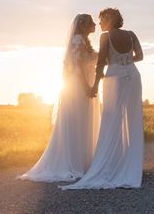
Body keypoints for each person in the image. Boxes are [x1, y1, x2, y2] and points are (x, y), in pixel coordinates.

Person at [61, 7, 144, 189]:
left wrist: (95, 85)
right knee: (133, 119)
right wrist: (125, 61)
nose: (99, 23)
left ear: (110, 19)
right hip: (133, 75)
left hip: (114, 78)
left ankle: (111, 164)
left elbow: (100, 64)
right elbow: (140, 56)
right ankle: (132, 165)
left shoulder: (105, 37)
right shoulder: (131, 34)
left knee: (111, 118)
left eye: (102, 19)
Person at [18, 14, 101, 182]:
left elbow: (88, 59)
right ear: (84, 25)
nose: (95, 24)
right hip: (78, 86)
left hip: (84, 83)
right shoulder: (78, 39)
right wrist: (86, 86)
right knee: (77, 121)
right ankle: (73, 163)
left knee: (82, 121)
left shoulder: (82, 40)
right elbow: (76, 65)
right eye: (91, 22)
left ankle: (82, 161)